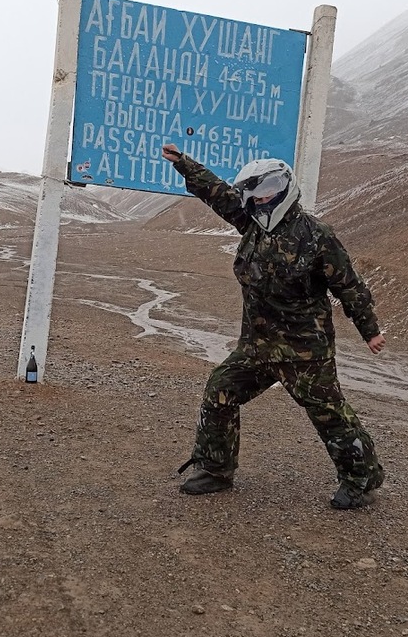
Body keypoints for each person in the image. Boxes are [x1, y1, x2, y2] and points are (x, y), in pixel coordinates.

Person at [161, 143, 387, 509]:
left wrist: (370, 330)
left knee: (329, 414)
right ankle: (216, 469)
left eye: (268, 190)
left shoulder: (316, 235)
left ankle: (361, 481)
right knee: (220, 391)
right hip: (257, 347)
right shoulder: (251, 224)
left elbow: (349, 285)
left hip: (304, 351)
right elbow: (217, 193)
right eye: (255, 192)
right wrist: (185, 165)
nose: (261, 199)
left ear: (285, 188)